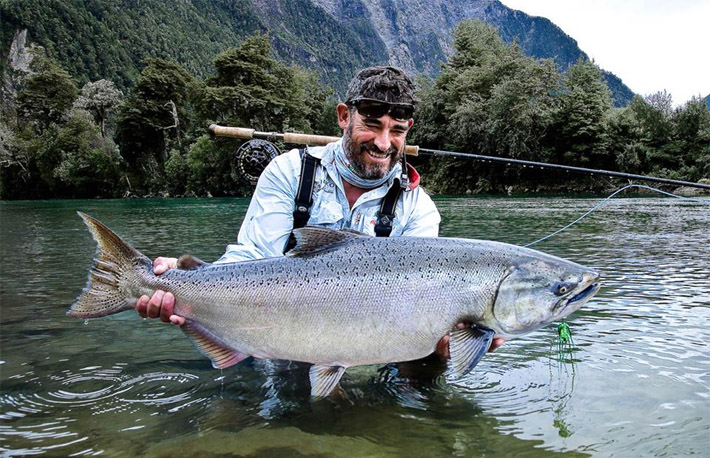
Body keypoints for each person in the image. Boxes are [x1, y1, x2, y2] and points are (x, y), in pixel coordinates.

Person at [136, 66, 503, 365]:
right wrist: (188, 280)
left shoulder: (418, 208)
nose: (383, 143)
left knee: (425, 374)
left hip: (367, 353)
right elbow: (250, 259)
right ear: (344, 117)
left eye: (397, 132)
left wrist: (454, 342)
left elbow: (421, 302)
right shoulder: (288, 173)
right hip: (276, 341)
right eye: (372, 125)